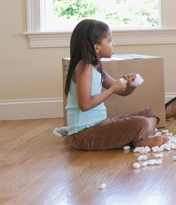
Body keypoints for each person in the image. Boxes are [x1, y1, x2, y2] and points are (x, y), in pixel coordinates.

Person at [64, 19, 166, 150]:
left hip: (100, 124)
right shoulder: (84, 67)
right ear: (96, 46)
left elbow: (122, 91)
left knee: (149, 113)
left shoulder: (96, 68)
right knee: (141, 123)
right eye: (110, 40)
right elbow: (85, 105)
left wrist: (130, 85)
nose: (113, 44)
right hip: (84, 134)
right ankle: (140, 139)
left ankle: (140, 136)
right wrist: (112, 90)